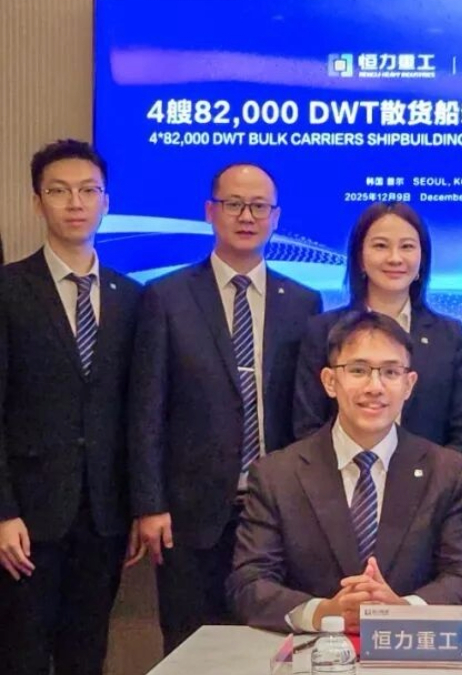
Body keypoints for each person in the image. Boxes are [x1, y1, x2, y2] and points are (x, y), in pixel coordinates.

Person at [127, 163, 322, 653]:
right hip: (190, 511)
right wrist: (150, 504)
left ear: (276, 217)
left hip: (277, 510)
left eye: (259, 206)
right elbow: (146, 409)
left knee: (272, 644)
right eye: (234, 204)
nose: (246, 216)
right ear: (210, 211)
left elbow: (307, 413)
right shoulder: (166, 296)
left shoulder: (304, 302)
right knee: (190, 644)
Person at [228, 311, 462, 632]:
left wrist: (404, 609)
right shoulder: (277, 475)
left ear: (409, 385)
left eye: (390, 372)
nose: (374, 387)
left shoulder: (447, 472)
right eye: (359, 370)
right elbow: (248, 583)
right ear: (330, 381)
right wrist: (323, 612)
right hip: (313, 651)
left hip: (408, 649)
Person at [0, 140, 141, 675]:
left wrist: (138, 504)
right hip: (26, 518)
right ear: (37, 202)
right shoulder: (9, 290)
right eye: (59, 191)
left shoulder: (132, 297)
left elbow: (138, 411)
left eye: (88, 190)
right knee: (21, 654)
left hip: (105, 515)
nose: (75, 203)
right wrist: (3, 512)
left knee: (87, 653)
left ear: (107, 201)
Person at [292, 202, 462, 455]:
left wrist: (435, 477)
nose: (395, 258)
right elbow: (308, 426)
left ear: (422, 259)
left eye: (407, 247)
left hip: (431, 477)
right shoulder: (322, 330)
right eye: (380, 246)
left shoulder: (449, 335)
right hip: (337, 476)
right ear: (359, 258)